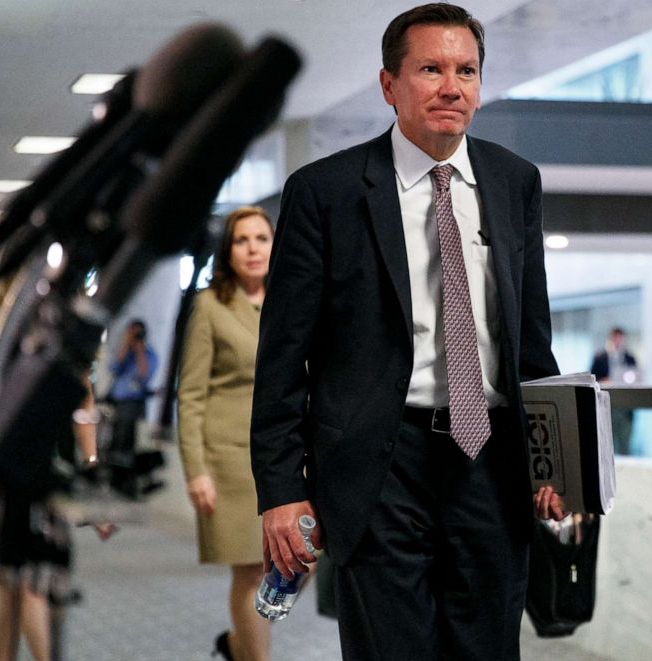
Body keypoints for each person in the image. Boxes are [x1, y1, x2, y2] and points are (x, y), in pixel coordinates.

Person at [250, 5, 565, 659]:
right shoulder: (325, 191)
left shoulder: (514, 182)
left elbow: (532, 343)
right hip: (379, 468)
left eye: (466, 70)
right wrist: (282, 491)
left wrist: (554, 460)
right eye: (430, 69)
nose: (452, 86)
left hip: (491, 465)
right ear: (389, 85)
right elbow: (283, 358)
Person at [0, 283, 113, 661]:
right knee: (18, 583)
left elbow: (82, 395)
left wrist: (93, 468)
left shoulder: (68, 315)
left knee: (22, 584)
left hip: (48, 470)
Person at [178, 206, 274, 661]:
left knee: (298, 562)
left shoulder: (292, 299)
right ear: (227, 251)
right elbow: (191, 395)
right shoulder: (209, 306)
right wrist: (196, 470)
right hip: (230, 462)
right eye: (242, 240)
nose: (253, 248)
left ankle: (236, 647)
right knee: (253, 571)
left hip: (287, 457)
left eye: (261, 238)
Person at [107, 318, 159, 497]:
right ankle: (113, 476)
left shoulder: (149, 355)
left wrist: (139, 352)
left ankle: (127, 481)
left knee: (129, 442)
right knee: (116, 439)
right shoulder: (125, 352)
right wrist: (126, 343)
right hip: (118, 402)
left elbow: (145, 375)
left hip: (135, 404)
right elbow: (114, 368)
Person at [590, 327, 638, 454]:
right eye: (615, 337)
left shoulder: (630, 358)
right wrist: (604, 381)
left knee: (625, 441)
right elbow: (591, 379)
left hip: (626, 406)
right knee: (607, 441)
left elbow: (636, 377)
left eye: (620, 338)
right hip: (606, 404)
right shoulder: (599, 358)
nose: (618, 341)